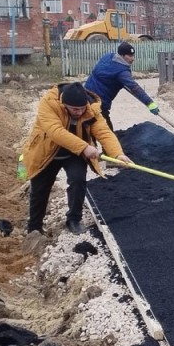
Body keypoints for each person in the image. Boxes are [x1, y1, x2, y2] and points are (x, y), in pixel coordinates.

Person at [20, 82, 133, 235]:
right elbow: (55, 131)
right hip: (47, 150)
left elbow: (103, 131)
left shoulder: (91, 108)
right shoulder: (49, 103)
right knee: (40, 187)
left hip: (75, 152)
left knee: (78, 180)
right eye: (74, 109)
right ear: (64, 104)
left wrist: (118, 154)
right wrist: (85, 148)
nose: (79, 113)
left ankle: (74, 219)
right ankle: (34, 226)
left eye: (82, 109)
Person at [84, 41, 159, 130]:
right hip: (99, 103)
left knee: (86, 127)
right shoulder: (122, 73)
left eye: (133, 55)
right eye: (130, 56)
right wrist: (149, 103)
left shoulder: (108, 56)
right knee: (108, 134)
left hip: (85, 94)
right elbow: (134, 88)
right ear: (122, 56)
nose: (133, 58)